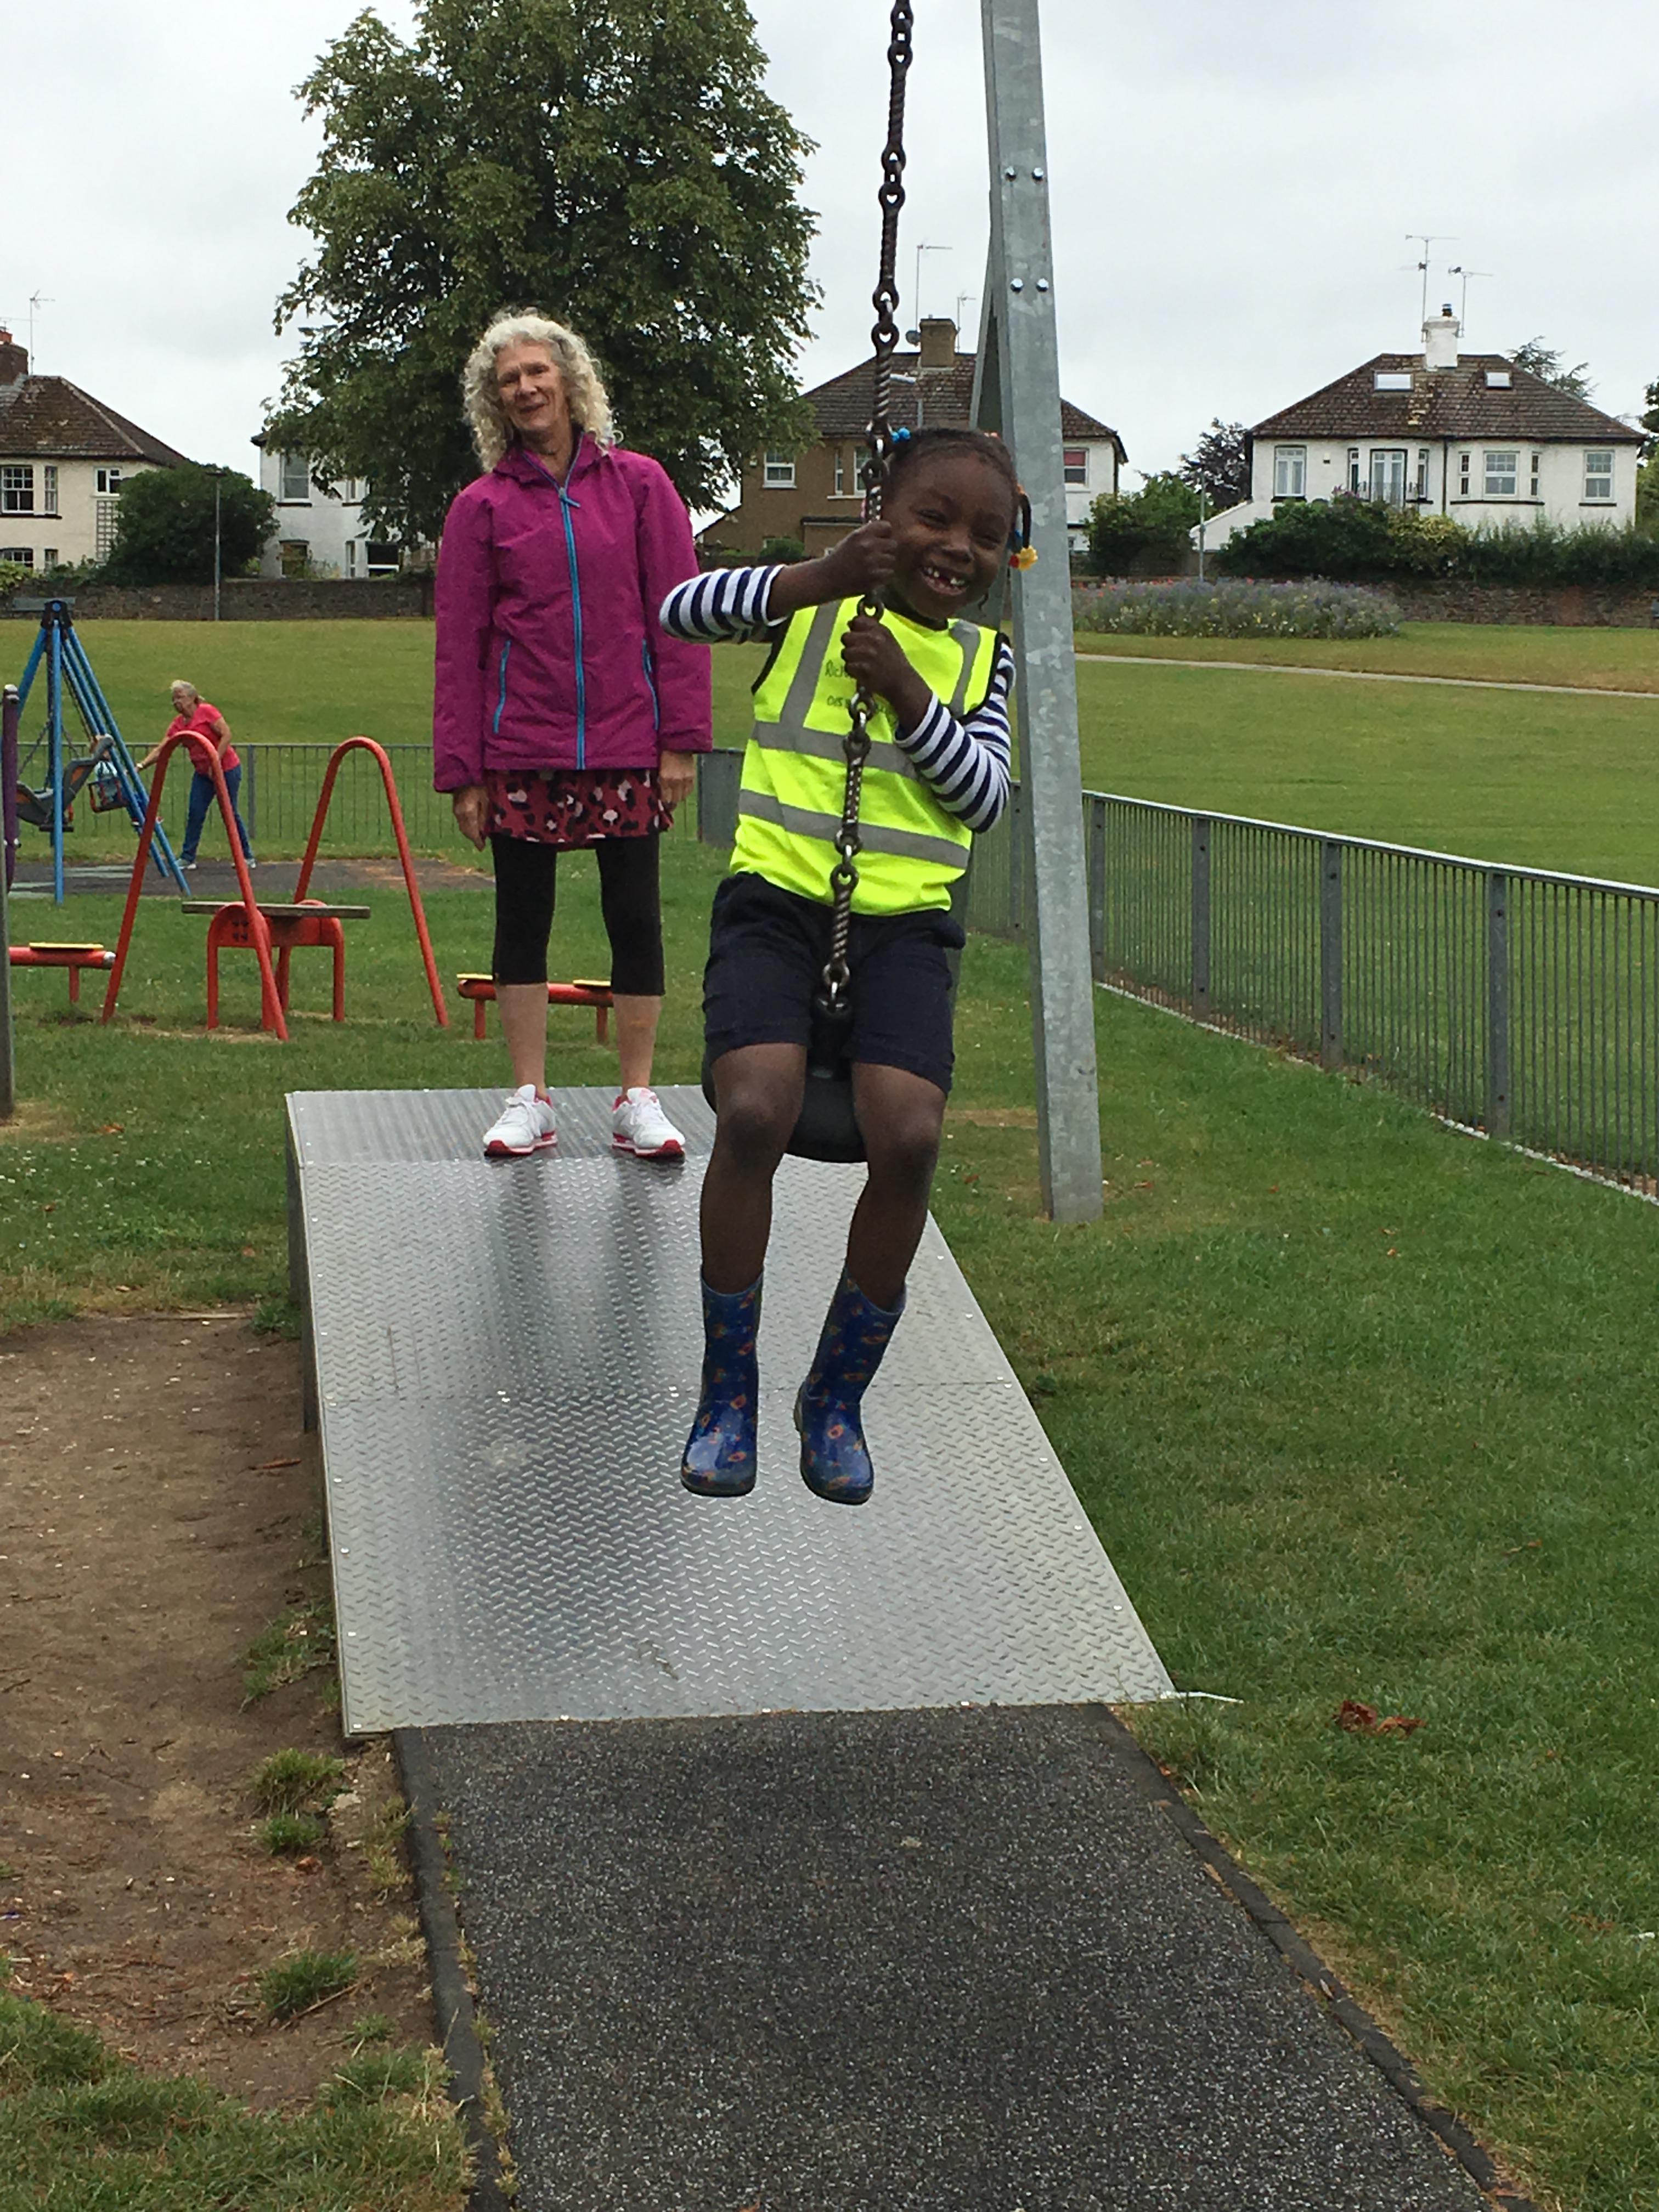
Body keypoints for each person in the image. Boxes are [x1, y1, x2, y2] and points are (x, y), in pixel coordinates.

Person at [660, 425, 1023, 1506]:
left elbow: (983, 798)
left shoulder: (983, 661)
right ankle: (728, 1389)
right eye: (932, 518)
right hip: (775, 905)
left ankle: (835, 1396)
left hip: (904, 927)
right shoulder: (807, 606)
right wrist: (817, 576)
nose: (956, 547)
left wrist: (907, 693)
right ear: (882, 517)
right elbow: (679, 610)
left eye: (985, 535)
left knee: (907, 1134)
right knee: (755, 1111)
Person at [433, 309, 710, 1160]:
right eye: (508, 380)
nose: (525, 389)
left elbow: (678, 619)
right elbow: (460, 646)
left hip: (628, 741)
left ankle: (638, 1096)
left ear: (569, 380)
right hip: (523, 746)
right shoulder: (480, 508)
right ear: (495, 400)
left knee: (635, 916)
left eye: (536, 373)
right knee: (522, 919)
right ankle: (530, 1098)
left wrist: (681, 740)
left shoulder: (640, 487)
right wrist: (463, 771)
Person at [138, 681, 254, 870]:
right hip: (203, 773)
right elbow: (163, 749)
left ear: (192, 698)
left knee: (229, 812)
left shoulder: (206, 712)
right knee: (196, 811)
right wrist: (141, 765)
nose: (176, 702)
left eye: (180, 697)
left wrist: (215, 761)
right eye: (174, 699)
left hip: (226, 769)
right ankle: (188, 857)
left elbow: (226, 734)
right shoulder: (178, 724)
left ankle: (246, 856)